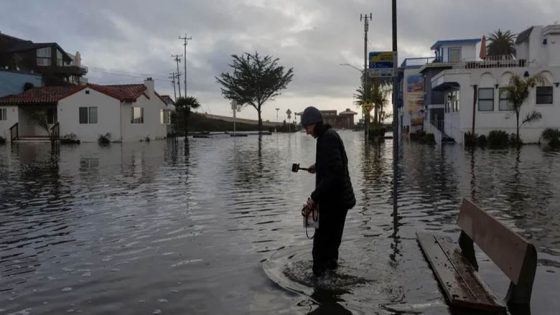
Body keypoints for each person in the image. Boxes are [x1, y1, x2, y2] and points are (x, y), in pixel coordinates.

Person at [301, 106, 356, 276]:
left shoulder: (327, 139)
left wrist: (313, 197)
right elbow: (336, 164)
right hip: (339, 201)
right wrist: (318, 167)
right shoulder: (329, 136)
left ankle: (319, 285)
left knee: (320, 248)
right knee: (331, 246)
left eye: (307, 127)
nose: (307, 132)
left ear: (314, 123)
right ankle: (331, 283)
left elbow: (335, 174)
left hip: (334, 202)